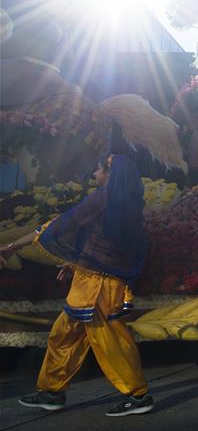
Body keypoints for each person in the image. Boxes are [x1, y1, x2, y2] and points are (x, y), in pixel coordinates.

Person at [0, 155, 154, 416]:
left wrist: (13, 246)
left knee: (110, 341)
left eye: (97, 169)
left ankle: (138, 395)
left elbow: (60, 225)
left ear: (109, 174)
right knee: (64, 334)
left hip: (98, 287)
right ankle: (51, 391)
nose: (94, 174)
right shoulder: (126, 204)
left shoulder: (103, 199)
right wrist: (74, 264)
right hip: (91, 281)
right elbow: (104, 244)